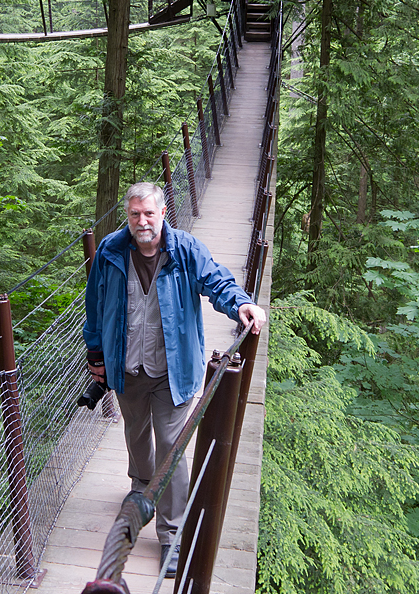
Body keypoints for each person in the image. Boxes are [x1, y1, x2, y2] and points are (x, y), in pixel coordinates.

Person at [82, 182, 266, 578]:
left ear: (163, 212)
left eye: (149, 213)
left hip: (173, 370)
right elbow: (94, 306)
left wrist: (242, 303)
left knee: (170, 445)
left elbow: (217, 281)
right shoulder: (111, 251)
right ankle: (140, 488)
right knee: (135, 432)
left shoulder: (185, 250)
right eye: (134, 214)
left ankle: (171, 533)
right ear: (127, 216)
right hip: (127, 367)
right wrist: (95, 356)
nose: (142, 221)